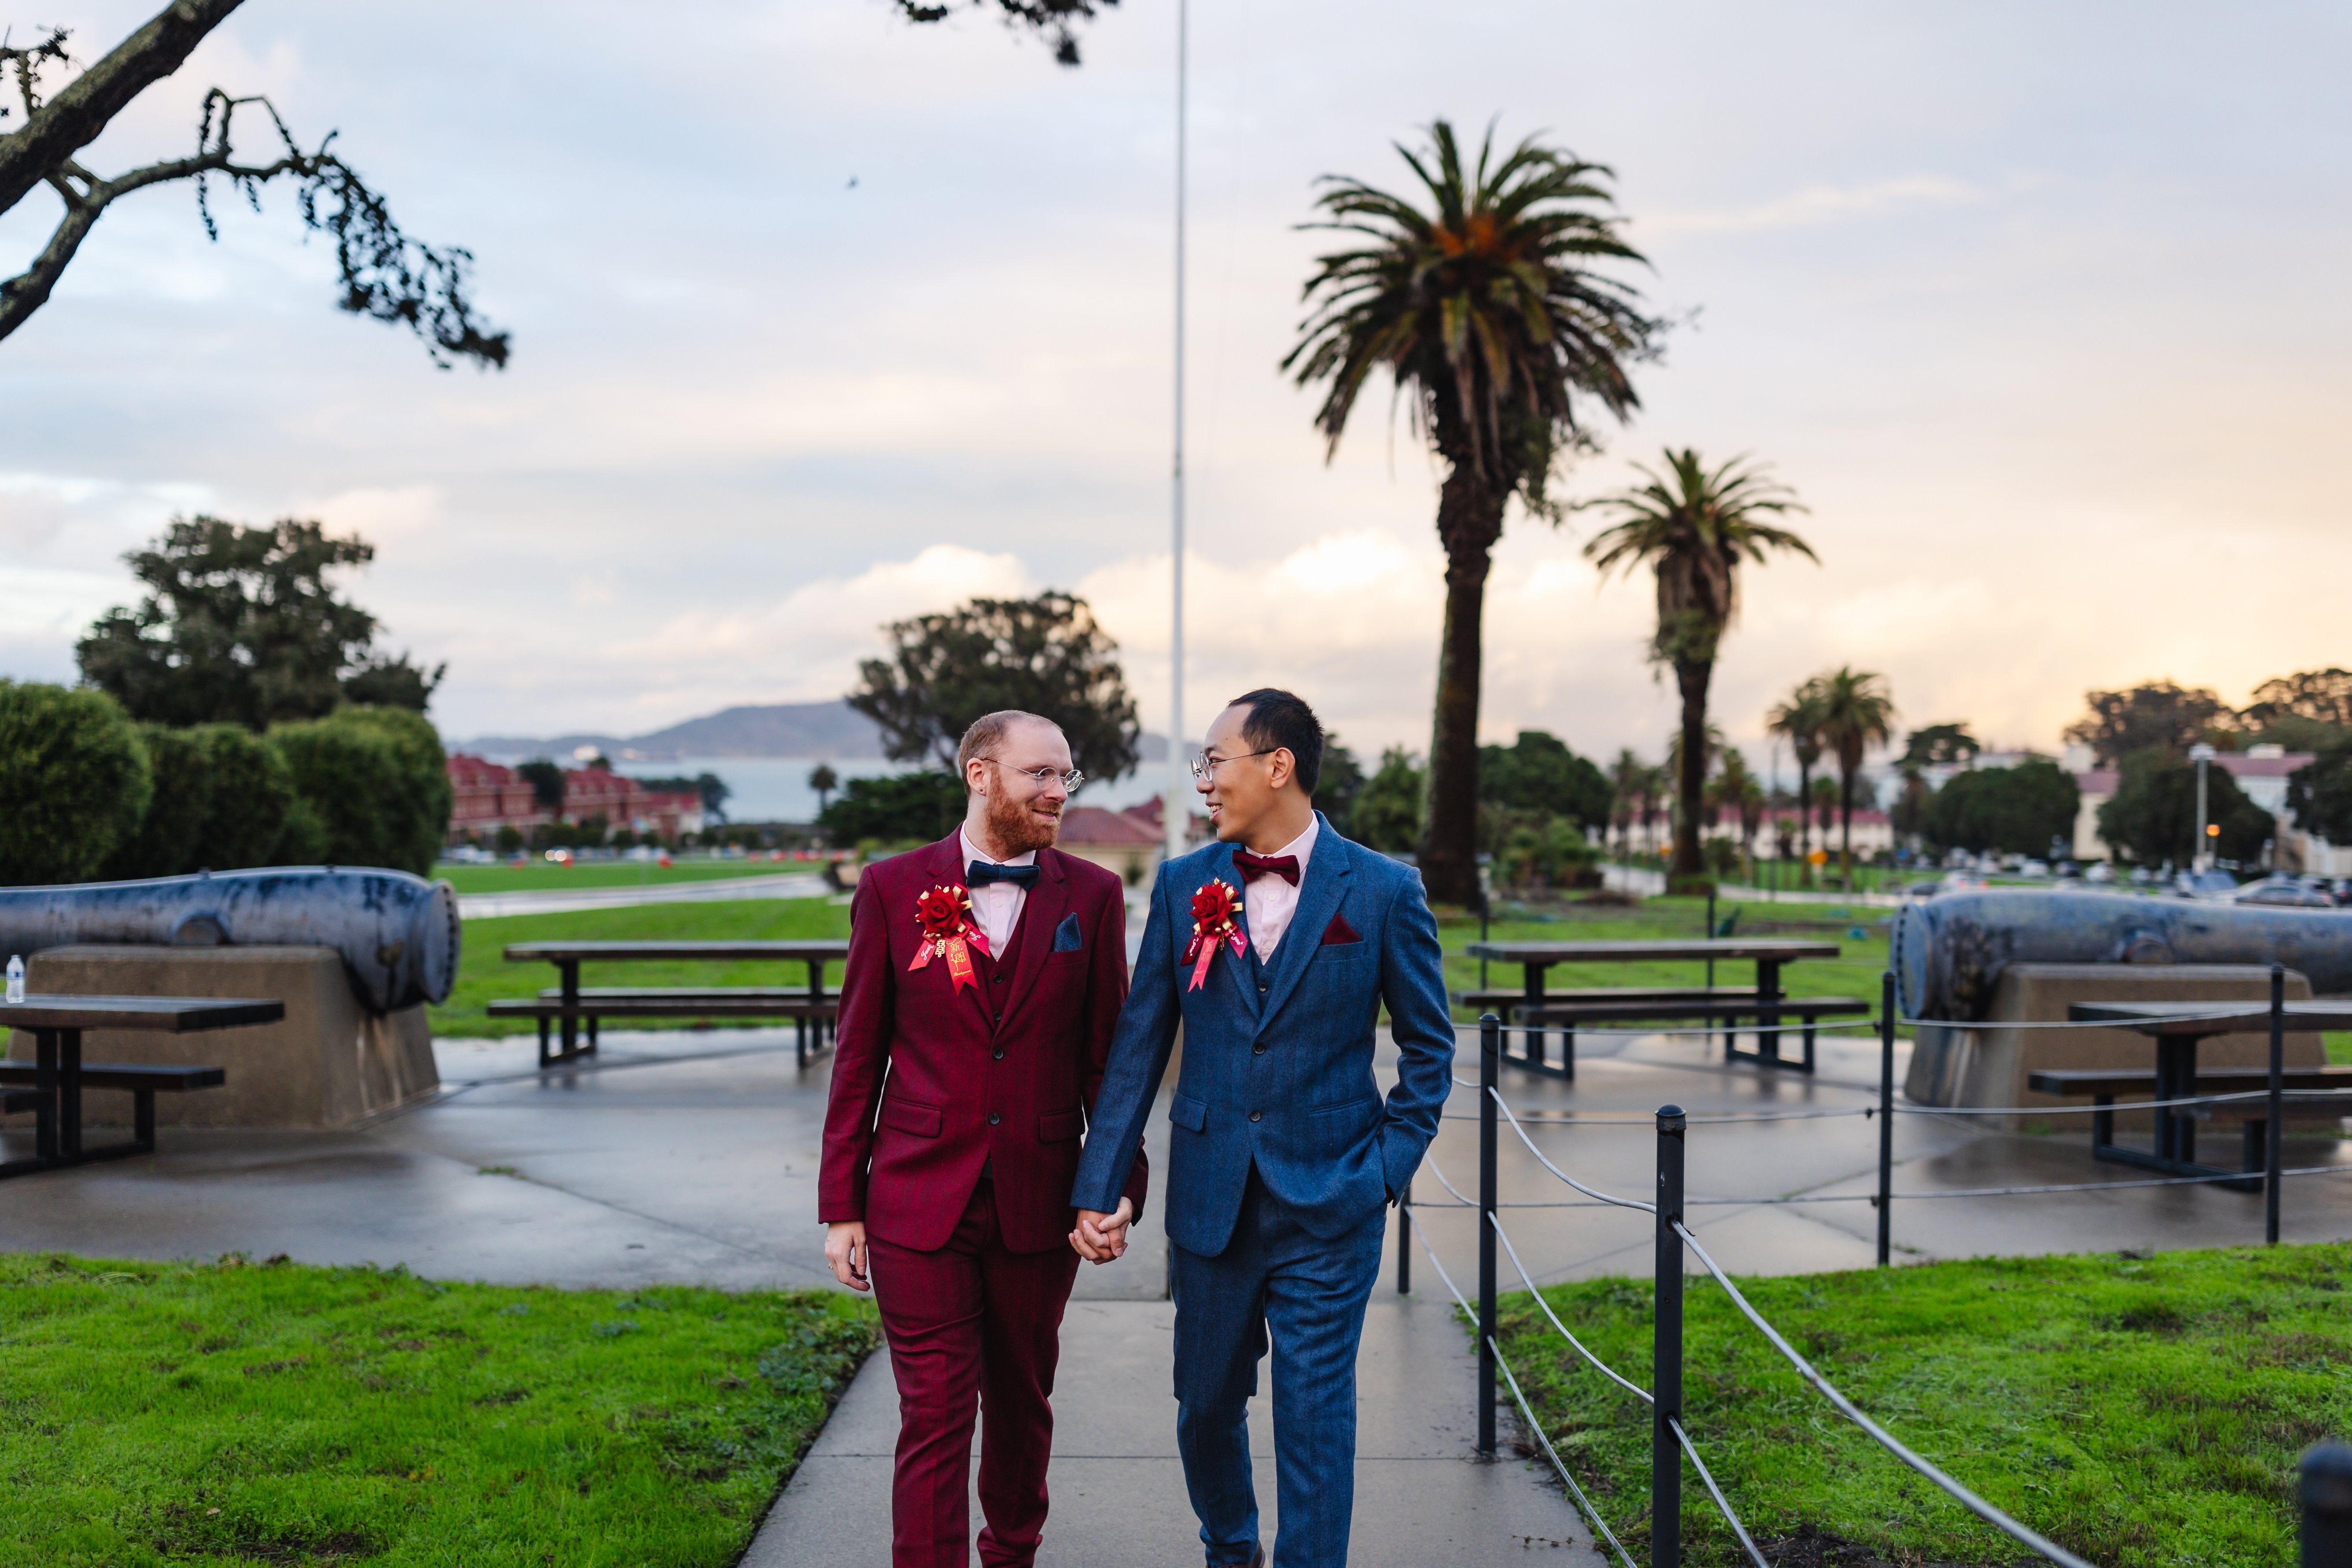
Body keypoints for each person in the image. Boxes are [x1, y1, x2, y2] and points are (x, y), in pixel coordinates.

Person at [1068, 687, 1454, 1568]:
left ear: (1277, 764)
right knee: (1204, 1404)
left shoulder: (1385, 890)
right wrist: (1100, 1186)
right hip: (1212, 1200)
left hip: (1334, 1199)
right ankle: (1231, 1545)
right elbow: (1137, 1050)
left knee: (1316, 1416)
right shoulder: (1182, 884)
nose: (1203, 779)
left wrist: (1385, 1171)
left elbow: (1429, 1050)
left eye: (1215, 759)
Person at [820, 709, 1145, 1568]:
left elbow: (1108, 1066)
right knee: (933, 1412)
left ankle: (1011, 1552)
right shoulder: (893, 887)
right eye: (1040, 773)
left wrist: (1113, 1184)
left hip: (1041, 1199)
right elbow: (858, 1054)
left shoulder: (1093, 895)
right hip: (914, 1197)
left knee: (1022, 1399)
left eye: (1065, 776)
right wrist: (840, 1203)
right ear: (979, 774)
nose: (1056, 791)